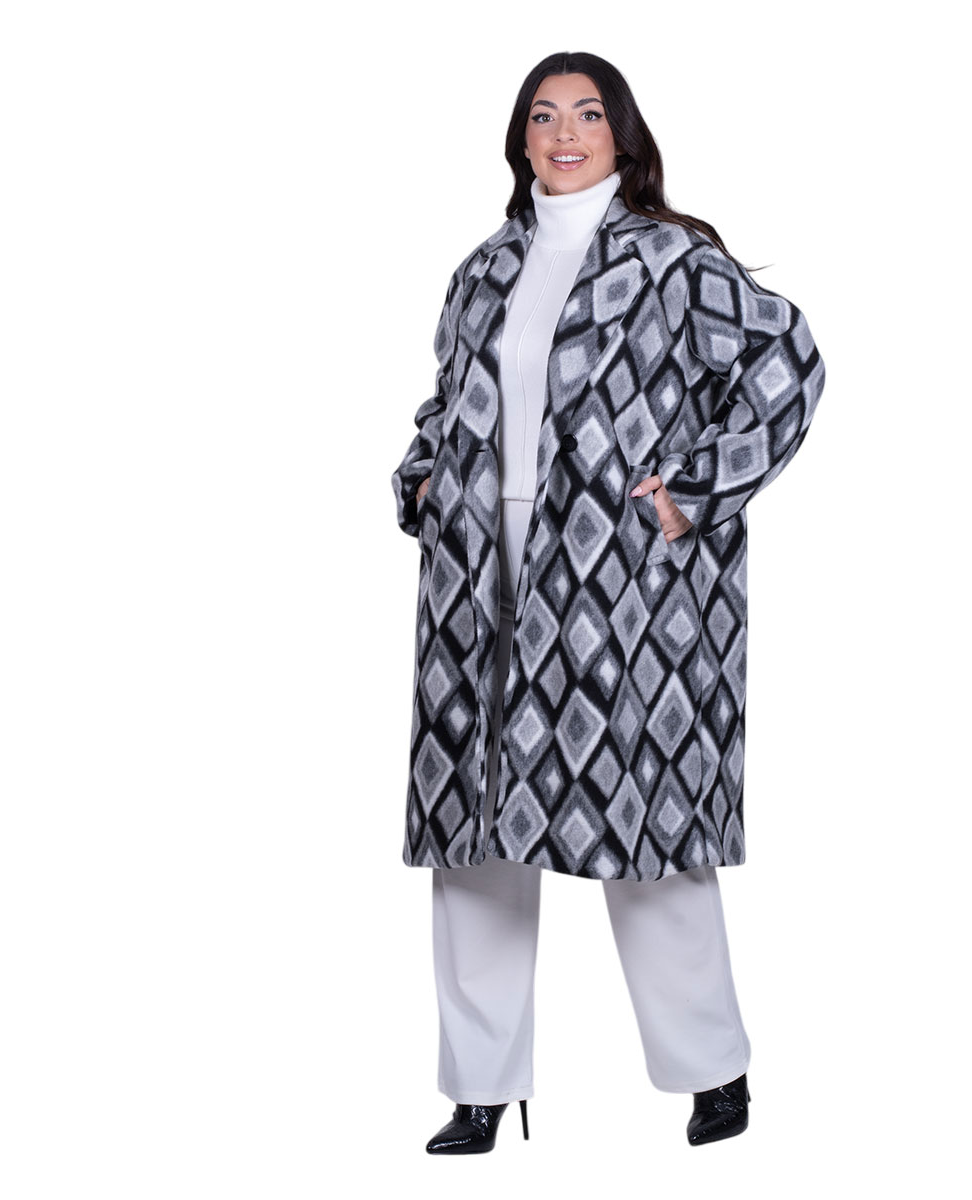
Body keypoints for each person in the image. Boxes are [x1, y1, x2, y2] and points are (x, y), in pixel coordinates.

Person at [391, 50, 826, 1153]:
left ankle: (714, 1072)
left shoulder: (673, 261)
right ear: (521, 140)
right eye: (544, 117)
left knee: (648, 830)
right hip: (479, 577)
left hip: (620, 585)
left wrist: (692, 495)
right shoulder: (485, 268)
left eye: (587, 115)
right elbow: (446, 399)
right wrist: (426, 479)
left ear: (621, 135)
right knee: (477, 839)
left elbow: (789, 361)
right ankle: (479, 1090)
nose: (565, 134)